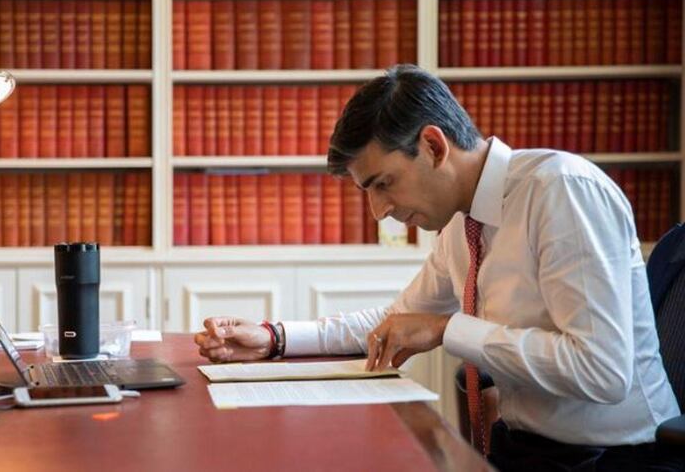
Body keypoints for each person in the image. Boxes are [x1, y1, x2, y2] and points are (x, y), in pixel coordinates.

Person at [193, 65, 682, 471]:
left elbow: (602, 371)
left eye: (383, 184)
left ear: (433, 145)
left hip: (619, 460)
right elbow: (398, 322)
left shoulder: (562, 192)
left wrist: (449, 328)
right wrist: (274, 337)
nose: (379, 212)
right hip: (530, 450)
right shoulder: (461, 222)